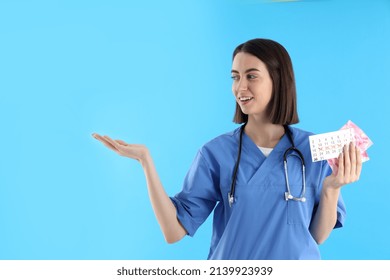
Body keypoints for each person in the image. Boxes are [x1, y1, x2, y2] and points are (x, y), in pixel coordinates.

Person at [92, 38, 362, 259]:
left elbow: (314, 237)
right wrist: (146, 162)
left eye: (251, 76)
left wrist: (331, 189)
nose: (240, 87)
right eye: (235, 77)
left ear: (278, 80)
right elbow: (173, 232)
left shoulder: (311, 150)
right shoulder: (216, 153)